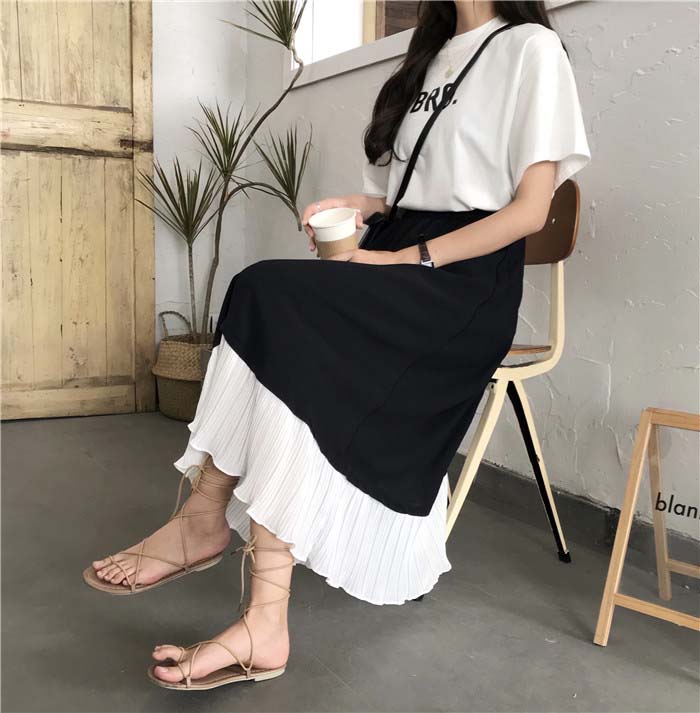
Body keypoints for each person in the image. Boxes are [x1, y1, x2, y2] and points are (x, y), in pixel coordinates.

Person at [84, 0, 591, 691]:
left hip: (461, 285)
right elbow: (413, 193)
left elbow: (530, 211)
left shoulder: (529, 48)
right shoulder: (428, 56)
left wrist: (406, 259)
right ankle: (247, 591)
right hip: (398, 252)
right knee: (267, 301)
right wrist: (361, 205)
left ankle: (211, 531)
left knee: (276, 300)